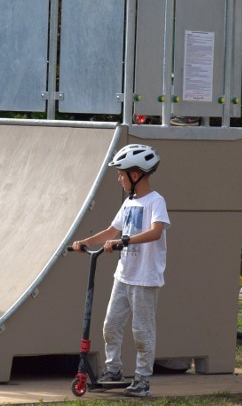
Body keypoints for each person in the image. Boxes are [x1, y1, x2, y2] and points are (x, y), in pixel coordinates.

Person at [70, 144, 170, 398]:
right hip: (123, 276)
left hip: (145, 278)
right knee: (110, 325)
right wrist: (85, 241)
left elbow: (157, 231)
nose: (119, 178)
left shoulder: (155, 201)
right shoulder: (129, 202)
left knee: (141, 331)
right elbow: (112, 231)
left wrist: (125, 241)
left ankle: (142, 380)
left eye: (121, 173)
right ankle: (113, 370)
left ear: (135, 175)